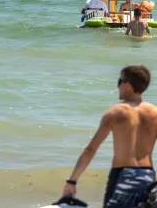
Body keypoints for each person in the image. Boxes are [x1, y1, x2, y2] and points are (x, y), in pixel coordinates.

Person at [61, 65, 157, 208]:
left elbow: (91, 149)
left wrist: (72, 181)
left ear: (128, 85)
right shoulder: (154, 113)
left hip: (122, 177)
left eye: (120, 81)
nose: (118, 86)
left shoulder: (115, 112)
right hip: (148, 177)